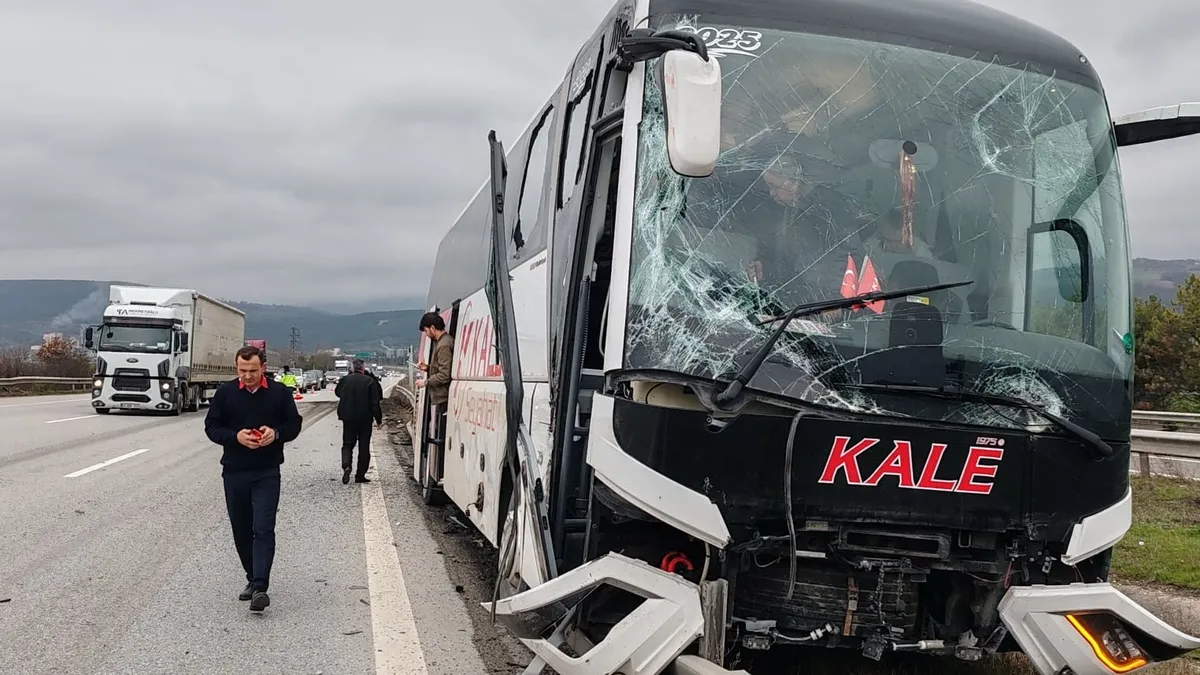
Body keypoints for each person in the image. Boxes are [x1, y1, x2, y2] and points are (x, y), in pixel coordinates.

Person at [203, 344, 303, 613]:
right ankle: (251, 576)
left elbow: (294, 424)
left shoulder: (280, 393)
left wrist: (276, 433)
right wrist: (235, 437)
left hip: (267, 471)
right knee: (241, 529)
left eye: (252, 370)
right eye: (242, 370)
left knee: (263, 528)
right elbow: (211, 427)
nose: (247, 375)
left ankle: (260, 586)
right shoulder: (225, 394)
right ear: (236, 368)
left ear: (263, 368)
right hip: (234, 471)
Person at [334, 359, 381, 484]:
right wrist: (379, 419)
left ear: (352, 368)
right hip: (365, 418)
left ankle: (346, 466)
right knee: (364, 446)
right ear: (363, 368)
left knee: (347, 444)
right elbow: (375, 402)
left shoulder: (345, 380)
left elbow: (337, 393)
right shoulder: (369, 381)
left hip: (348, 417)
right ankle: (360, 475)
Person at [416, 312, 454, 449]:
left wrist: (425, 382)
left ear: (432, 327)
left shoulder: (443, 345)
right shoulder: (443, 342)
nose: (426, 334)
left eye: (426, 331)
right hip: (441, 397)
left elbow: (445, 374)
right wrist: (428, 368)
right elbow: (442, 368)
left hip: (443, 398)